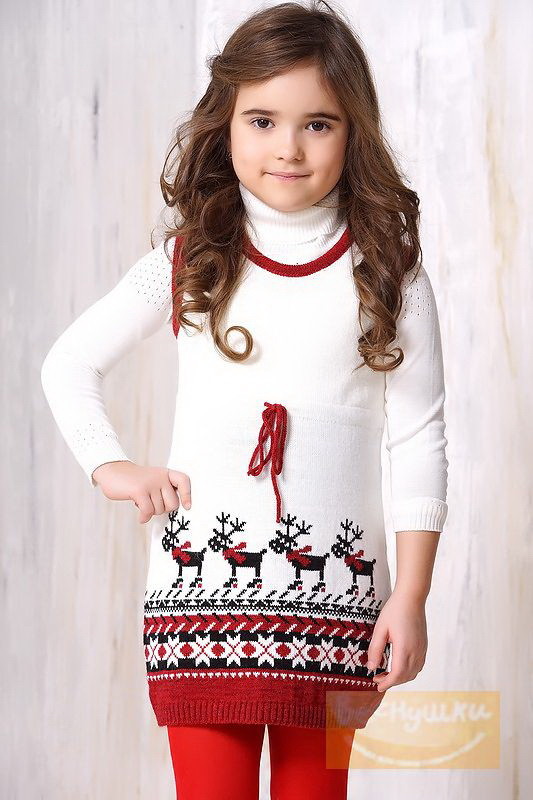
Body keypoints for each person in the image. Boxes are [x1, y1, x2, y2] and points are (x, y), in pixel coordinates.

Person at [40, 2, 449, 798]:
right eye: (262, 121)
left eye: (317, 124)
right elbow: (70, 362)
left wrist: (410, 595)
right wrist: (109, 464)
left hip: (337, 613)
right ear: (224, 123)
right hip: (197, 609)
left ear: (353, 132)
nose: (287, 148)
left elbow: (419, 438)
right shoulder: (190, 259)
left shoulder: (389, 273)